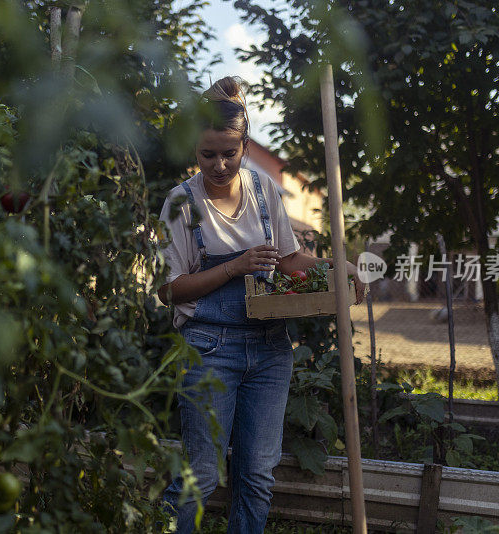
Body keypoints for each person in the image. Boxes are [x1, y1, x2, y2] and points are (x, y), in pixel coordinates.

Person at [158, 76, 364, 533]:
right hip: (209, 349)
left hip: (271, 350)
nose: (218, 164)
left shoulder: (263, 191)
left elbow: (290, 260)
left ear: (244, 144)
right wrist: (236, 267)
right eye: (207, 154)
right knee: (203, 475)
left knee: (256, 475)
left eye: (229, 153)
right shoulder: (181, 204)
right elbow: (169, 290)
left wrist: (337, 268)